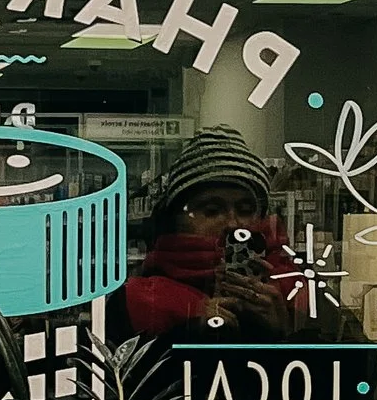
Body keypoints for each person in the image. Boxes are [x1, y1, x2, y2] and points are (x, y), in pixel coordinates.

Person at [123, 129, 304, 339]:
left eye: (246, 210)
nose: (233, 224)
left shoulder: (293, 289)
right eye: (211, 211)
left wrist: (281, 335)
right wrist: (192, 332)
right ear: (175, 220)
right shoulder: (137, 302)